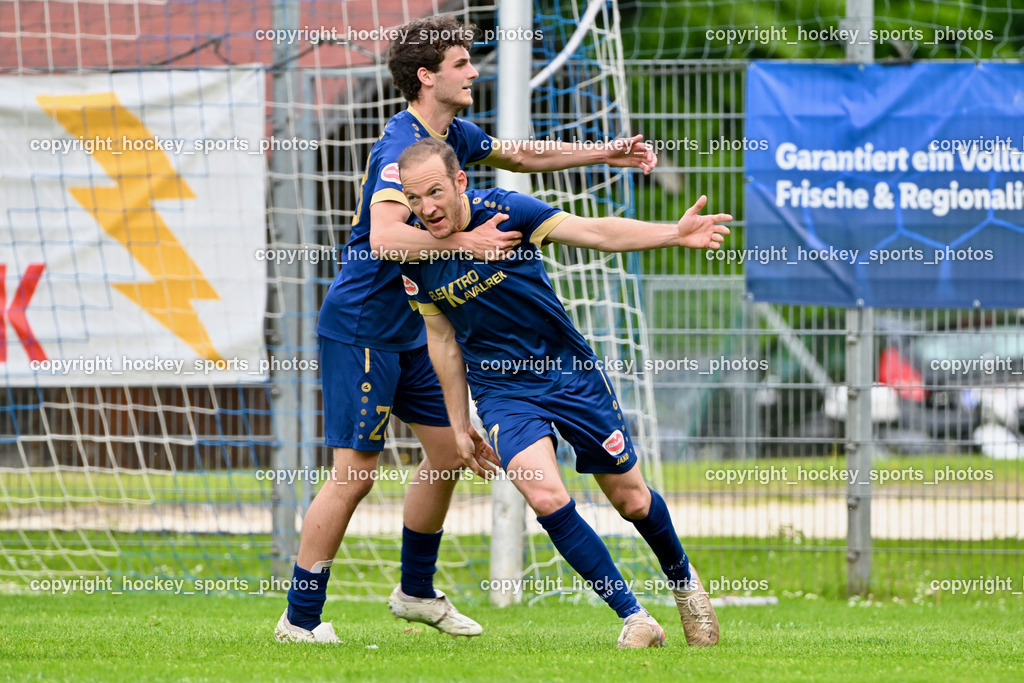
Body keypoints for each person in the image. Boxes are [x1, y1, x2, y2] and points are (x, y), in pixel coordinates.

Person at [275, 15, 658, 643]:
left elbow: (518, 154)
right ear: (427, 77)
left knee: (450, 451)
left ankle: (417, 592)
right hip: (365, 326)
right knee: (356, 472)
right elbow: (385, 236)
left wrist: (602, 151)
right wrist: (465, 241)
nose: (473, 70)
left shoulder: (448, 134)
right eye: (460, 63)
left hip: (417, 326)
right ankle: (300, 618)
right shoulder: (400, 149)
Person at [391, 137, 731, 648]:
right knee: (546, 495)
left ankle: (684, 583)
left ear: (460, 181)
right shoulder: (415, 254)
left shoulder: (508, 211)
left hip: (569, 374)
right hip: (502, 391)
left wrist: (672, 235)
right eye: (415, 200)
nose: (427, 208)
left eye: (435, 192)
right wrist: (460, 423)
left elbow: (593, 231)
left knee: (632, 501)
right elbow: (441, 339)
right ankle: (634, 617)